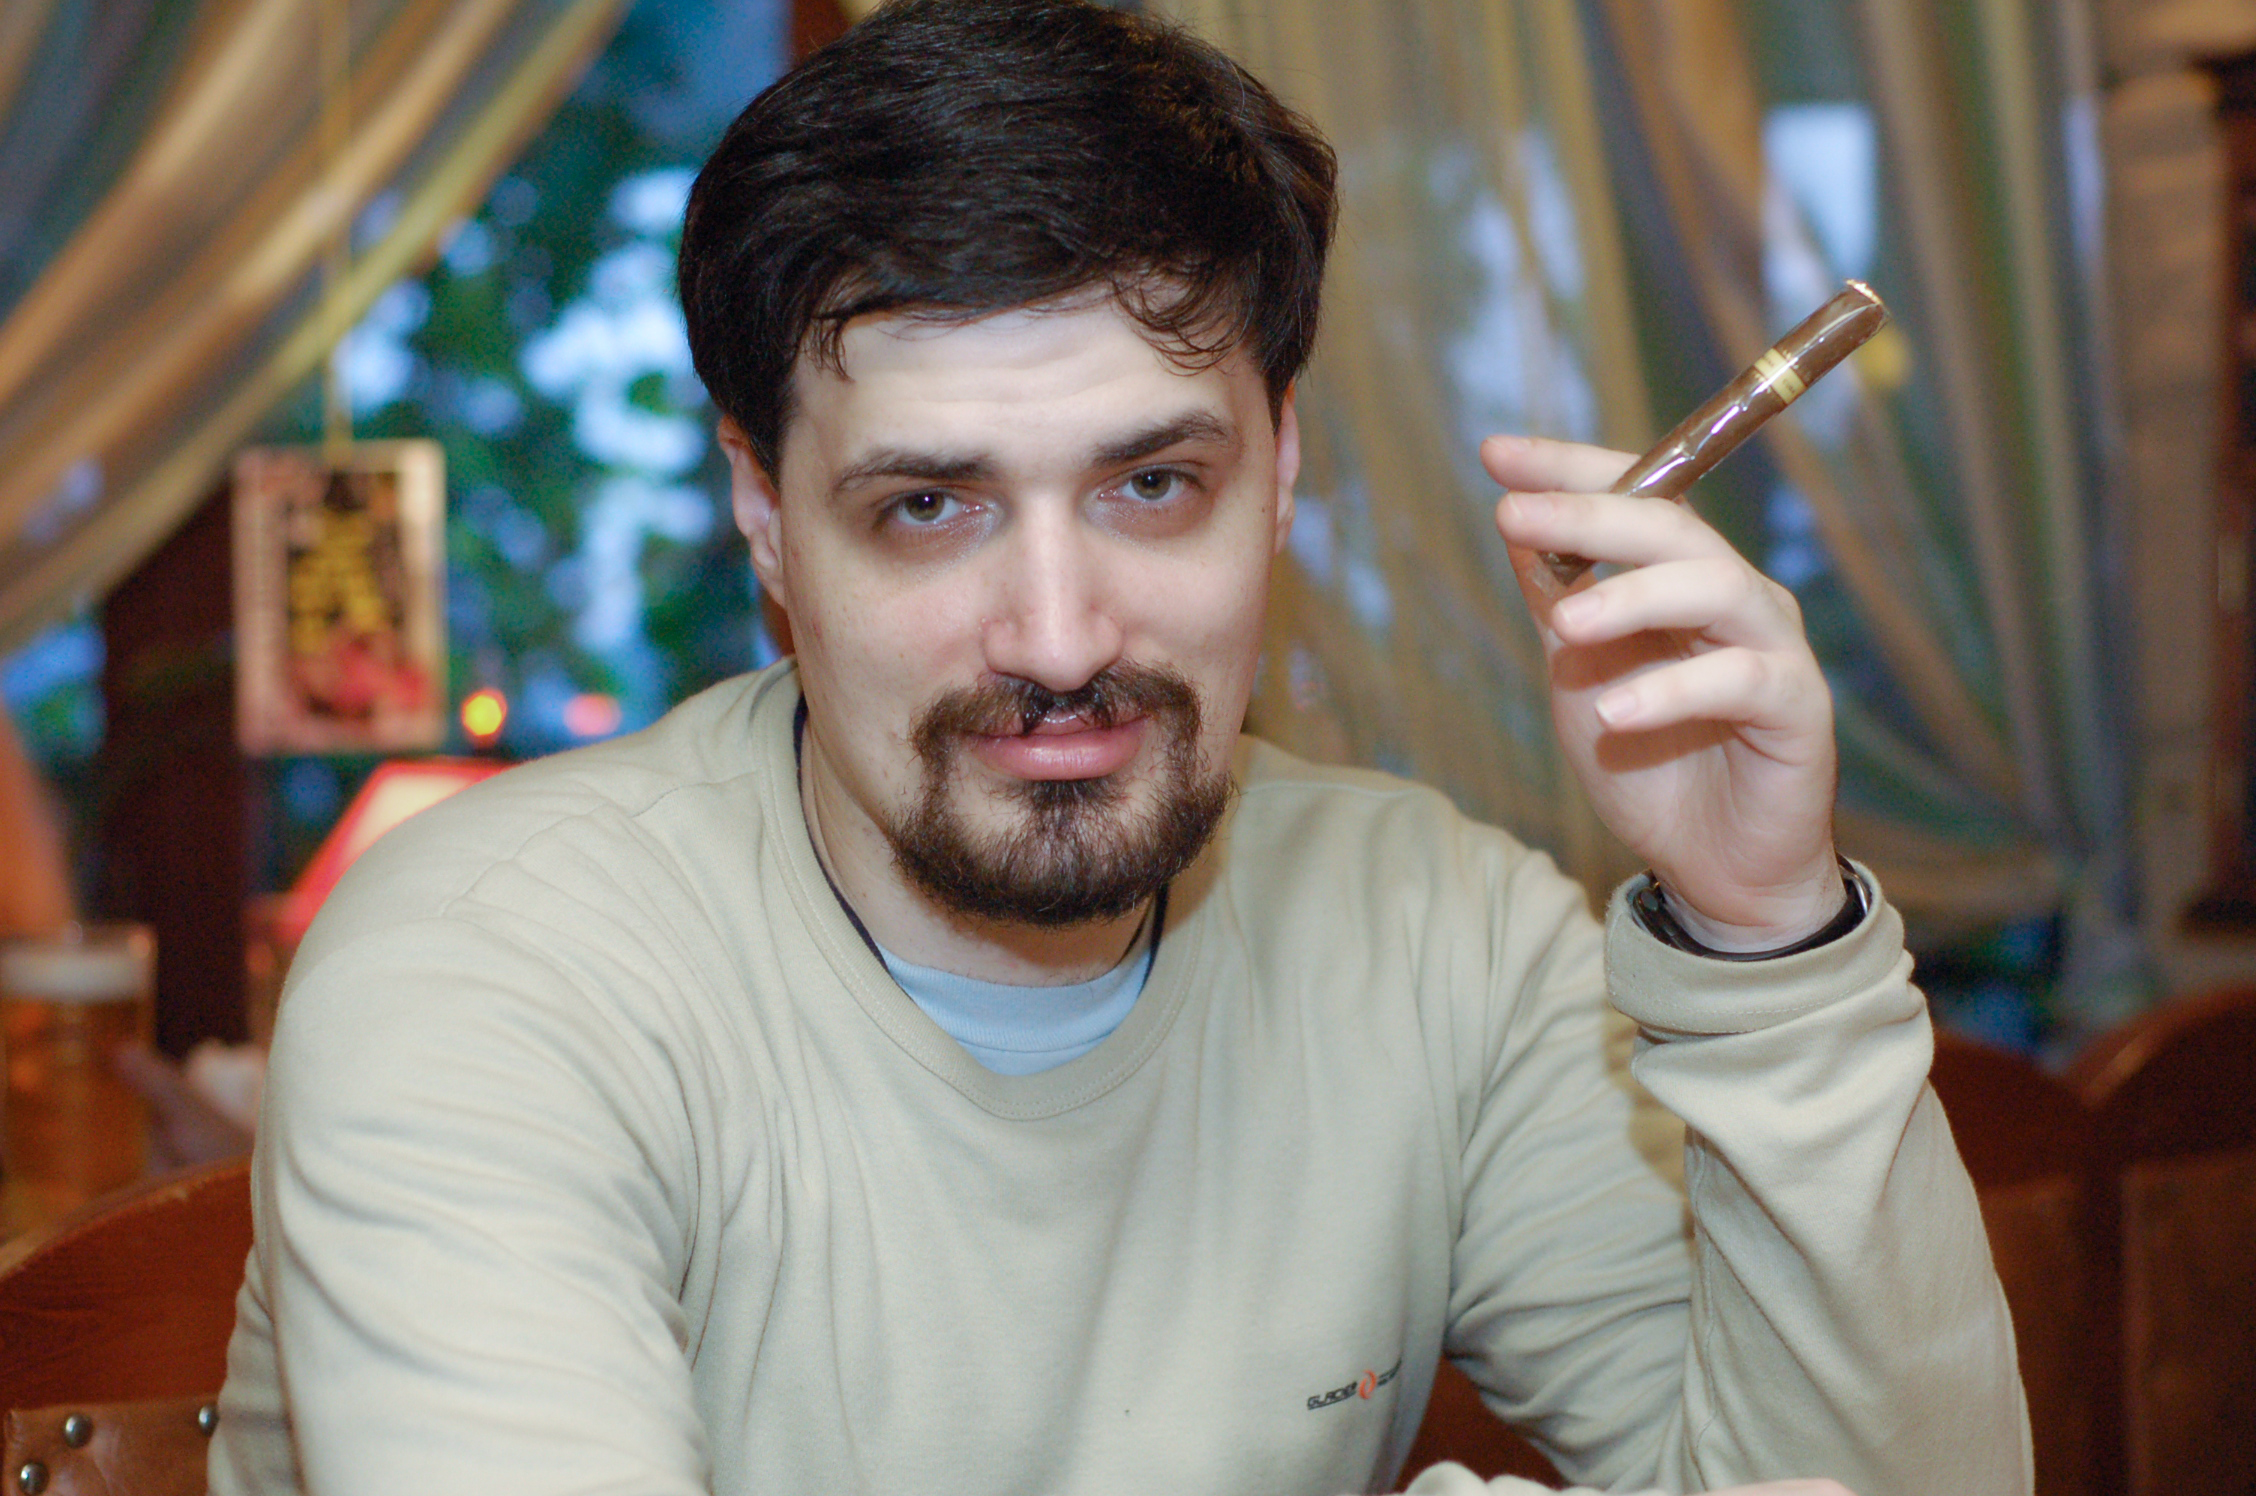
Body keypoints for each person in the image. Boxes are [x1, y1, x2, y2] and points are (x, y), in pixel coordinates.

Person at [209, 3, 2028, 1494]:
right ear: (762, 516)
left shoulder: (1439, 939)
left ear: (1282, 469)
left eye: (1152, 484)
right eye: (929, 507)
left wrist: (1766, 938)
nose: (1063, 637)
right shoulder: (490, 974)